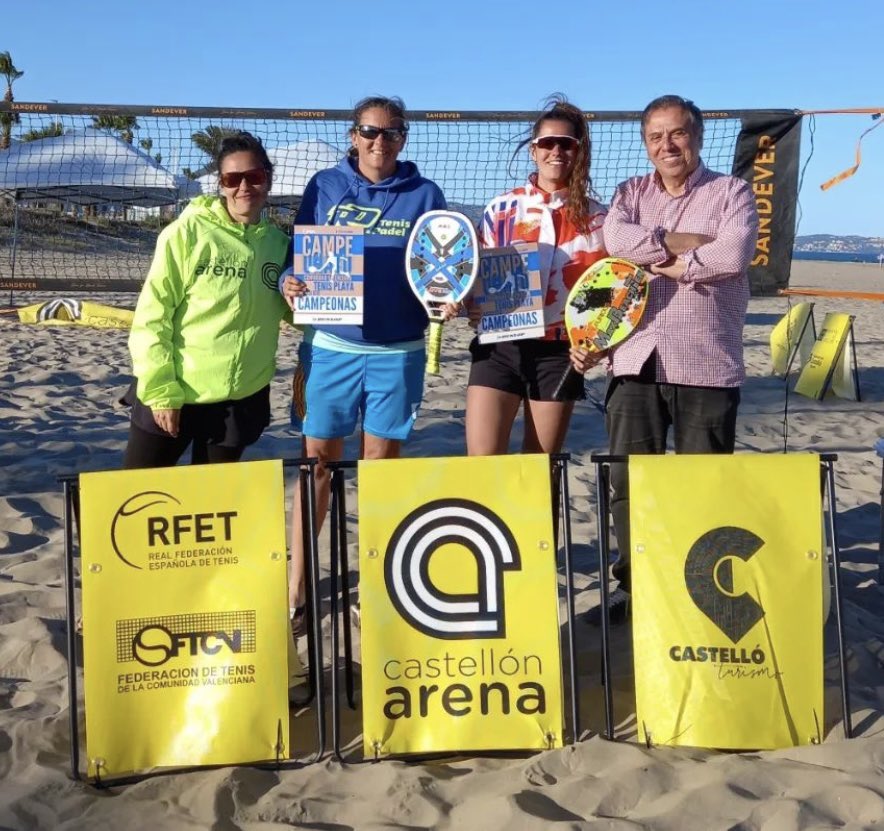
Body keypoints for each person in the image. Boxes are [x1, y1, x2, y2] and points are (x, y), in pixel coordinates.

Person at [280, 95, 446, 632]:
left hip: (399, 351)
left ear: (403, 138)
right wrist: (289, 282)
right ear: (353, 136)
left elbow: (442, 268)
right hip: (332, 347)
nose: (380, 141)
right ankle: (297, 586)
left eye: (391, 132)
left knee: (380, 468)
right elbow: (294, 260)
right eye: (370, 131)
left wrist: (448, 296)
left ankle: (375, 583)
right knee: (316, 466)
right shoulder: (325, 186)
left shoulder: (426, 194)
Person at [593, 94, 759, 624]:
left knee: (702, 485)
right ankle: (633, 587)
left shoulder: (732, 191)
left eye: (678, 133)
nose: (667, 145)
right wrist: (683, 247)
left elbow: (733, 254)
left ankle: (696, 593)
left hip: (706, 361)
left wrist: (660, 258)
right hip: (635, 358)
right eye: (656, 136)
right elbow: (615, 241)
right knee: (628, 483)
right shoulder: (629, 193)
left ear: (697, 136)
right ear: (646, 143)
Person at [123, 131, 290, 468]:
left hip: (240, 400)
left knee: (214, 499)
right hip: (176, 391)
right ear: (221, 185)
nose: (244, 186)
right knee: (138, 493)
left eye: (254, 176)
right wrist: (161, 392)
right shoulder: (185, 234)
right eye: (232, 179)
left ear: (268, 179)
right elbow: (152, 318)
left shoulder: (280, 245)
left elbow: (295, 313)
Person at [465, 97, 608, 458]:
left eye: (566, 143)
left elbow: (608, 294)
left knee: (539, 467)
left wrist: (596, 346)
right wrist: (471, 303)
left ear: (578, 151)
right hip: (500, 345)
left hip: (559, 352)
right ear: (534, 150)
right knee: (481, 463)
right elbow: (474, 275)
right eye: (547, 143)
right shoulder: (501, 209)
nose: (556, 151)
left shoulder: (600, 219)